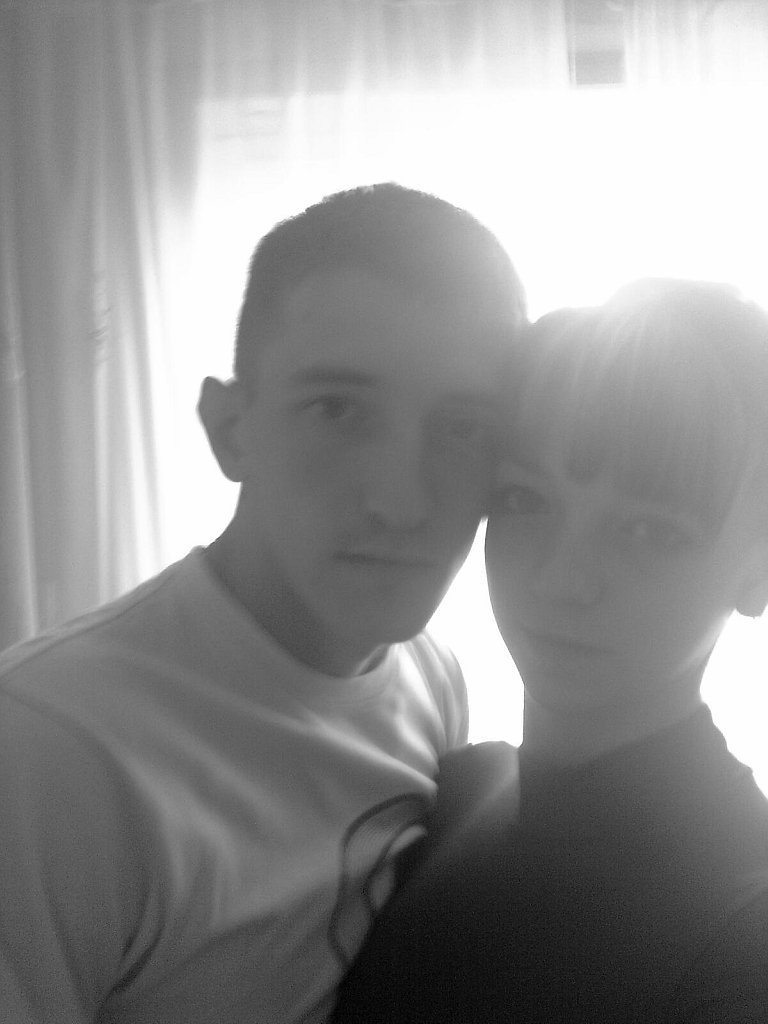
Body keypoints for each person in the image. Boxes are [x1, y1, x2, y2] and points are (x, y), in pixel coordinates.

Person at [0, 183, 525, 1024]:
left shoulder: (432, 678)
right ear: (230, 429)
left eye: (464, 427)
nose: (403, 501)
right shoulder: (47, 752)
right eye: (338, 410)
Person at [332, 278, 768, 1023]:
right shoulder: (452, 791)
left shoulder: (745, 930)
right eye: (525, 500)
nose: (560, 578)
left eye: (650, 530)